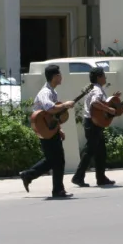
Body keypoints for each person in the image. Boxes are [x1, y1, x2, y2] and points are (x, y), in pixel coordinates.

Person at [20, 64, 76, 199]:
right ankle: (31, 176)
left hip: (51, 128)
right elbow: (50, 108)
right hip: (45, 129)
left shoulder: (53, 91)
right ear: (55, 76)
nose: (61, 77)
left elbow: (53, 116)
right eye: (60, 75)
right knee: (54, 160)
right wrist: (65, 105)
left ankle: (53, 187)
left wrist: (59, 129)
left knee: (56, 160)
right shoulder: (46, 92)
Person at [71, 67, 116, 188]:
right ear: (98, 78)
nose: (105, 78)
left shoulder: (96, 89)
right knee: (90, 151)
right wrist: (108, 109)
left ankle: (101, 178)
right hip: (93, 123)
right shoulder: (97, 90)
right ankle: (78, 176)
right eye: (104, 76)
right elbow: (95, 103)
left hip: (94, 122)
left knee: (101, 151)